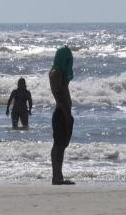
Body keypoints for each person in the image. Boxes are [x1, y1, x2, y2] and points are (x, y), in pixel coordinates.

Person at [49, 46, 75, 185]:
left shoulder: (59, 72)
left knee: (62, 145)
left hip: (64, 112)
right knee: (58, 145)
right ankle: (56, 177)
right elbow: (59, 96)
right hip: (61, 112)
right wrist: (67, 115)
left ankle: (59, 176)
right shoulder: (56, 73)